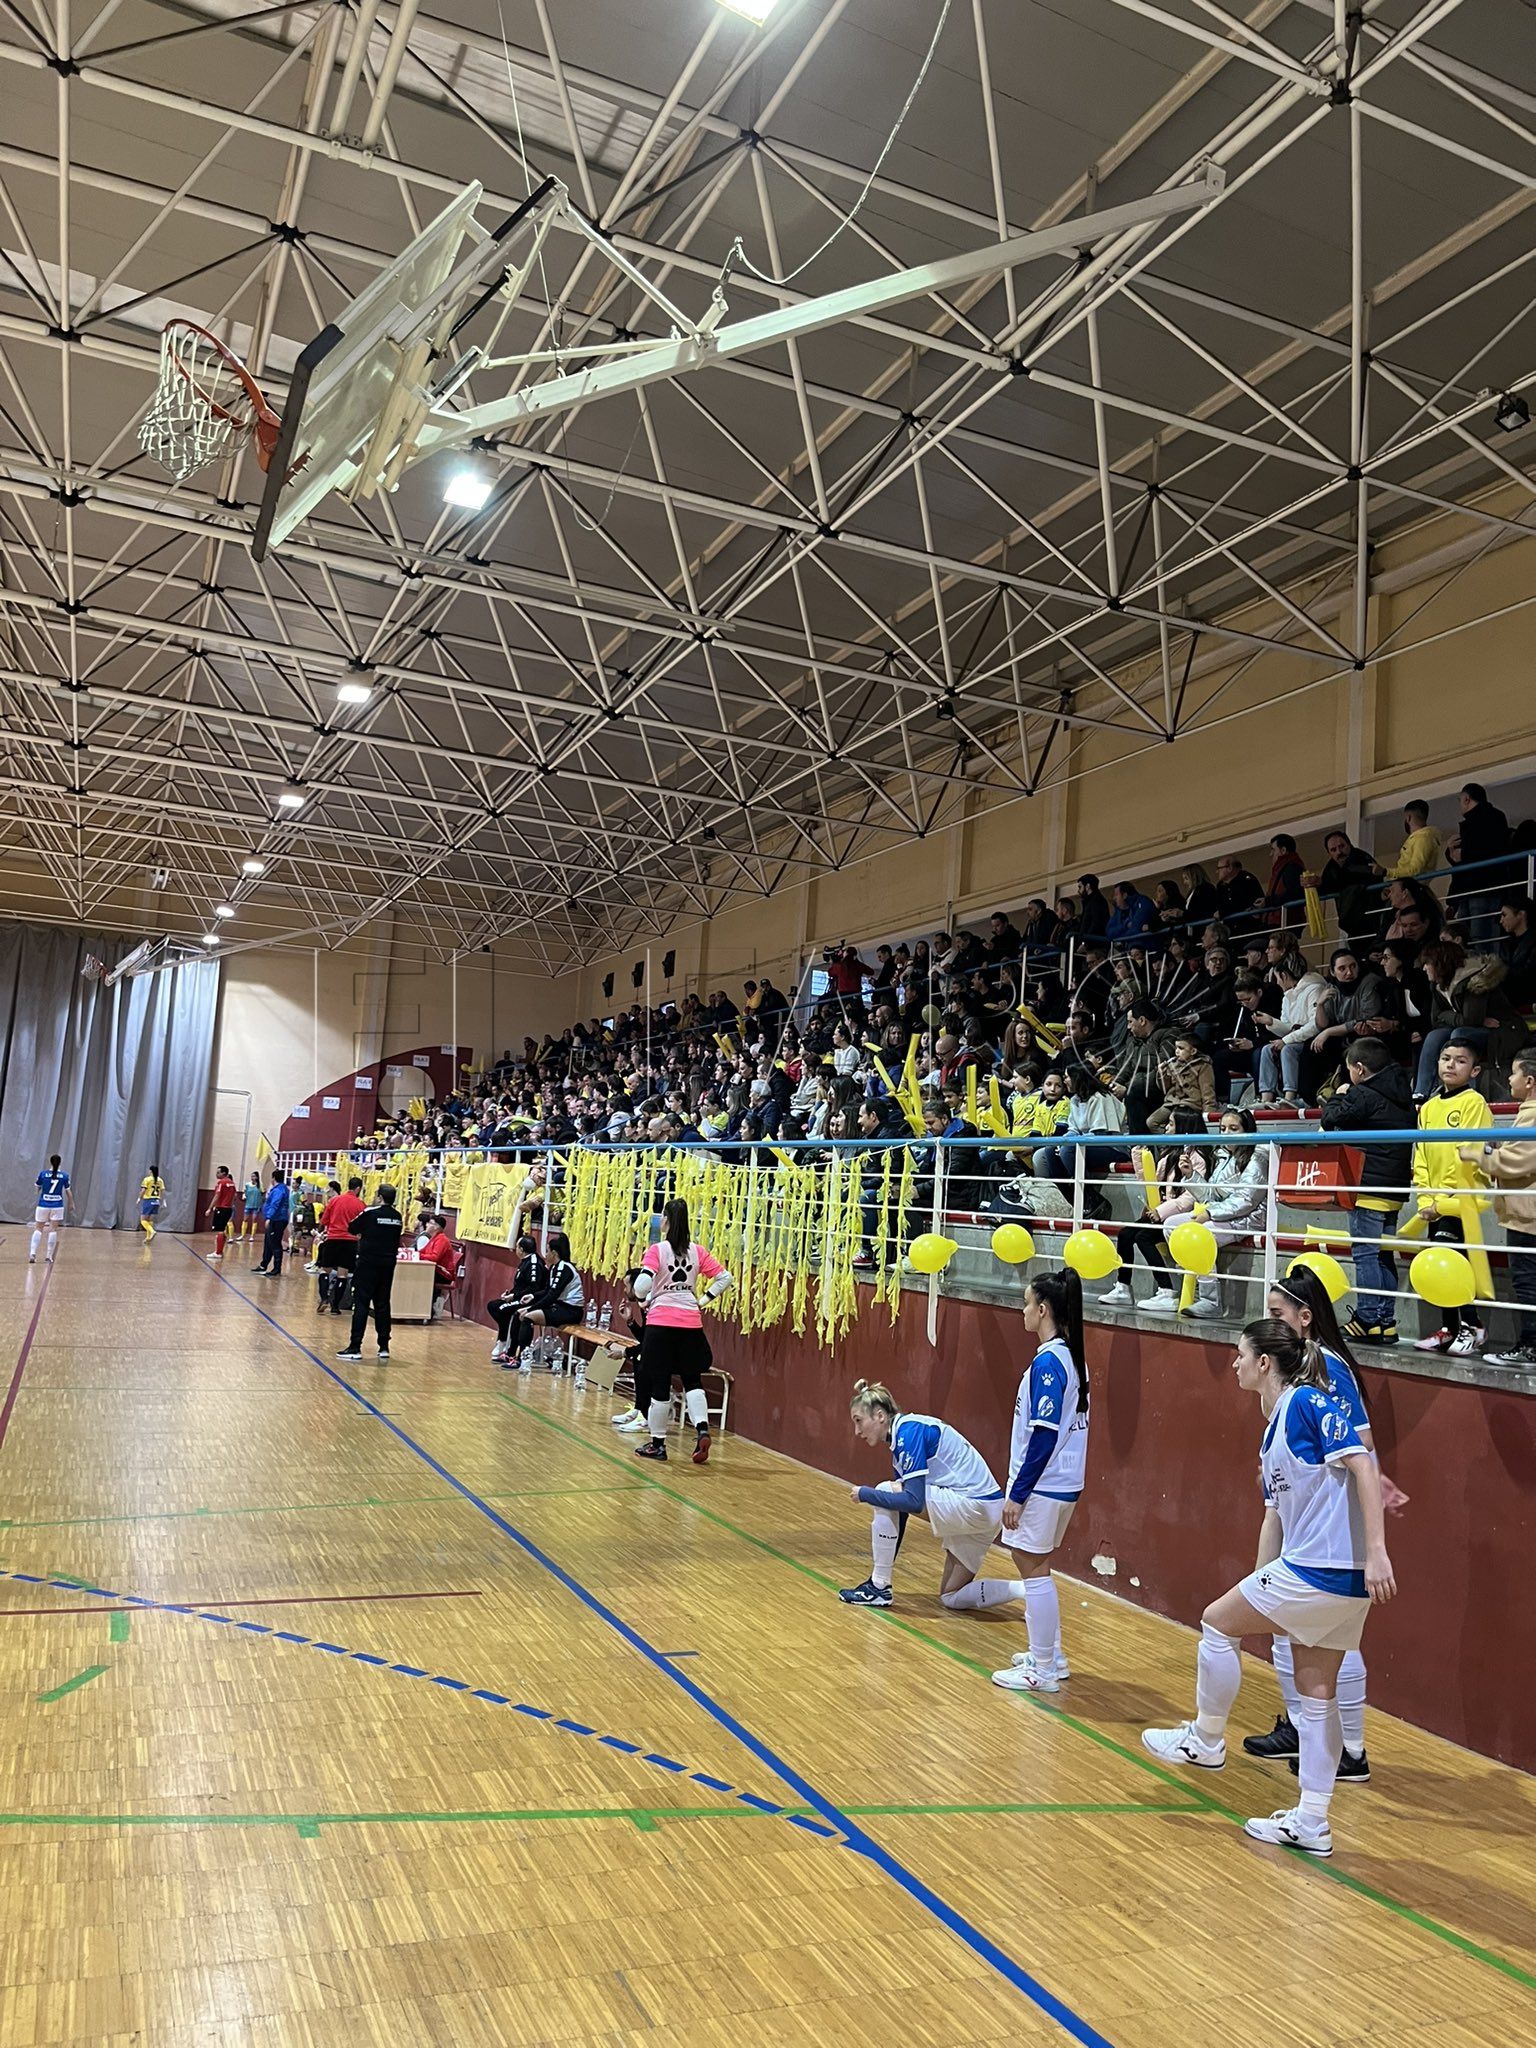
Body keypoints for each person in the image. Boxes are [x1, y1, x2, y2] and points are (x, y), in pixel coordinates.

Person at [1141, 1316, 1396, 1857]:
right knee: (1317, 1693)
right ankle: (1312, 1821)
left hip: (1325, 1569)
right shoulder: (1275, 1426)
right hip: (1332, 1579)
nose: (1233, 1363)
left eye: (1239, 1354)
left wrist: (1377, 1552)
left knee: (1215, 1622)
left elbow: (1365, 1465)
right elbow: (1275, 1516)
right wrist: (1258, 1579)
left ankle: (1206, 1740)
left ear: (1264, 1363)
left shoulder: (1307, 1402)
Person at [1243, 1270, 1407, 1782]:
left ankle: (1350, 1748)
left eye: (1277, 1313)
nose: (1272, 1321)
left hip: (1333, 1521)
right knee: (1296, 1629)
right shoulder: (1298, 1370)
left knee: (1332, 1636)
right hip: (1306, 1510)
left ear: (1304, 1317)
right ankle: (1306, 1729)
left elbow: (1360, 1446)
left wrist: (1373, 1532)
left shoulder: (1326, 1367)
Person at [989, 1268, 1090, 1693]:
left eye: (1027, 1303)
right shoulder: (1069, 1356)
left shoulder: (1050, 1362)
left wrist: (1018, 1493)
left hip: (1045, 1485)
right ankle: (1050, 1654)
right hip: (1063, 1483)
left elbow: (1044, 1434)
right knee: (1036, 1568)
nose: (1023, 1310)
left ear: (1043, 1309)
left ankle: (1043, 1668)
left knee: (1033, 1571)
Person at [840, 1380, 1015, 1612]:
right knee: (951, 1596)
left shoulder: (908, 1433)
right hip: (986, 1512)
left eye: (859, 1421)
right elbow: (901, 1509)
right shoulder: (903, 1436)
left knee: (882, 1491)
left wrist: (866, 1494)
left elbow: (913, 1501)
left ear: (880, 1416)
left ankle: (878, 1586)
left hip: (974, 1505)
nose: (857, 1431)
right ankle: (1030, 1590)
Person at [1321, 1040, 1414, 1345]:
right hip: (1394, 1188)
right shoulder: (1403, 1095)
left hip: (1368, 1186)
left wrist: (1338, 1095)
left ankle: (1366, 1318)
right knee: (1383, 1255)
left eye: (1350, 1070)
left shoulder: (1362, 1093)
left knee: (1365, 1255)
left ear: (1359, 1069)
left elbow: (1330, 1119)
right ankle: (1384, 1322)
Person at [632, 1198, 732, 1464]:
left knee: (660, 1384)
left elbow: (641, 1286)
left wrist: (647, 1292)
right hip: (690, 1322)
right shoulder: (697, 1251)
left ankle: (658, 1444)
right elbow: (725, 1277)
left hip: (661, 1323)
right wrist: (702, 1300)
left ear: (665, 1219)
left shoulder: (657, 1250)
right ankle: (701, 1429)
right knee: (692, 1379)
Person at [1412, 1034, 1490, 1356]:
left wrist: (1441, 1199)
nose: (1451, 1065)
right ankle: (1450, 1328)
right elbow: (1421, 1157)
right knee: (1442, 1258)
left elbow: (1467, 1154)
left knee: (1453, 1258)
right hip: (1433, 1203)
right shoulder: (1428, 1107)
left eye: (1460, 1061)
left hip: (1461, 1200)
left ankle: (1473, 1326)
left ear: (1474, 1070)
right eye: (1446, 1059)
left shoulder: (1475, 1104)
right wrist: (1425, 1200)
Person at [1475, 1049, 1536, 1370]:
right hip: (1524, 1212)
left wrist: (1478, 1154)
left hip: (1527, 1216)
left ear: (1529, 1081)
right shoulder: (1527, 1111)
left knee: (1527, 1280)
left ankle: (1530, 1346)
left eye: (1512, 1073)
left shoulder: (1532, 1113)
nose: (1507, 1079)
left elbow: (1517, 1161)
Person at [337, 1181, 403, 1364]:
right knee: (382, 1304)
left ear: (380, 1197)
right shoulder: (397, 1217)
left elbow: (352, 1227)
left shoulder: (370, 1213)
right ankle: (383, 1347)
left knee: (361, 1304)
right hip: (388, 1265)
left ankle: (355, 1347)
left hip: (367, 1264)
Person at [1313, 829, 1382, 943]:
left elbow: (1361, 876)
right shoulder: (1331, 867)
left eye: (1342, 846)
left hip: (1371, 916)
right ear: (1329, 853)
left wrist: (1323, 882)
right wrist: (1313, 885)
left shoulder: (1361, 857)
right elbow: (1325, 889)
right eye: (1333, 850)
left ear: (1349, 844)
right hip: (1351, 921)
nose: (1339, 852)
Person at [489, 1232, 548, 1365]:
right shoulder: (524, 1262)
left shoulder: (534, 1263)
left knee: (503, 1310)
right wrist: (509, 1294)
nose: (515, 1249)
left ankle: (506, 1344)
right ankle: (504, 1339)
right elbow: (521, 1285)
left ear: (522, 1249)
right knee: (493, 1306)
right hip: (518, 1297)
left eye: (517, 1246)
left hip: (530, 1301)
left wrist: (514, 1296)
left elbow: (534, 1288)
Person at [316, 1177, 366, 1313]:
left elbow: (324, 1220)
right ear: (358, 1189)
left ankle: (324, 1298)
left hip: (333, 1239)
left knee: (324, 1270)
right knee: (342, 1274)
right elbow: (362, 1226)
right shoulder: (360, 1205)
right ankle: (335, 1306)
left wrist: (319, 1232)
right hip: (350, 1242)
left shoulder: (335, 1200)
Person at [1384, 798, 1443, 880]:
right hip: (1405, 885)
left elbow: (1415, 870)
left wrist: (1386, 872)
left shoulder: (1423, 838)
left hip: (1410, 886)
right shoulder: (1421, 838)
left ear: (1408, 818)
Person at [31, 1154, 70, 1264]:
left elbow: (37, 1187)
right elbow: (68, 1191)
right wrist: (71, 1203)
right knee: (53, 1230)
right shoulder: (64, 1176)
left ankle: (32, 1253)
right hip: (57, 1205)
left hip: (43, 1204)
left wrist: (38, 1191)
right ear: (60, 1163)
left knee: (38, 1228)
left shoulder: (43, 1174)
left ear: (50, 1162)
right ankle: (48, 1256)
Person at [253, 1170, 290, 1277]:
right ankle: (264, 1265)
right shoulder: (279, 1189)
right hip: (275, 1219)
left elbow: (275, 1204)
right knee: (268, 1242)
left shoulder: (279, 1190)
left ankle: (276, 1269)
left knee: (275, 1244)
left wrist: (269, 1217)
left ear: (273, 1178)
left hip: (277, 1220)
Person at [420, 1212, 458, 1317]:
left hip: (443, 1274)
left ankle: (427, 1311)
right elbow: (423, 1251)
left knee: (420, 1278)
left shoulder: (442, 1240)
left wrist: (420, 1256)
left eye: (430, 1223)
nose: (427, 1225)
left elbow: (434, 1257)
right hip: (434, 1270)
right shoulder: (433, 1238)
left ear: (436, 1227)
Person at [207, 1164, 237, 1261]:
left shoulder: (221, 1183)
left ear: (224, 1173)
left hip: (221, 1208)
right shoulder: (232, 1183)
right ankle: (220, 1250)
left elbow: (217, 1196)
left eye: (218, 1172)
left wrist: (209, 1208)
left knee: (219, 1230)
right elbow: (235, 1196)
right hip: (228, 1208)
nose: (216, 1174)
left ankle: (218, 1252)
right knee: (223, 1230)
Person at [240, 1170, 263, 1240]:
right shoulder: (247, 1185)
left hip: (256, 1206)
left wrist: (260, 1204)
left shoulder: (260, 1186)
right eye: (251, 1176)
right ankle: (242, 1235)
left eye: (254, 1176)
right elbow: (244, 1192)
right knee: (245, 1219)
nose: (252, 1177)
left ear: (257, 1177)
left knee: (254, 1220)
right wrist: (244, 1195)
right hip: (248, 1205)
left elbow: (263, 1195)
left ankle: (252, 1236)